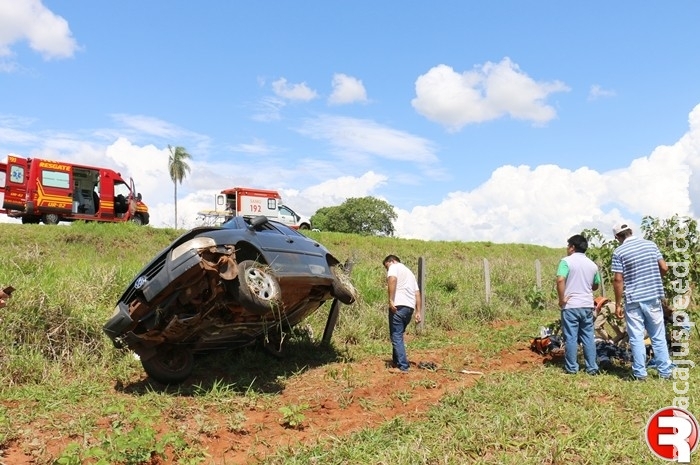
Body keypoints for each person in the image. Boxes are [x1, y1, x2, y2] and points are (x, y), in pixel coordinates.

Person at [611, 222, 672, 381]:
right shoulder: (651, 245)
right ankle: (665, 372)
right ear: (631, 231)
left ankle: (640, 374)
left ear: (617, 237)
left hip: (633, 300)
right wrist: (654, 279)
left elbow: (618, 280)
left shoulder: (619, 251)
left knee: (636, 337)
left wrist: (617, 304)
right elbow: (664, 268)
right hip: (652, 297)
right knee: (658, 335)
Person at [556, 234, 600, 375]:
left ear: (572, 247)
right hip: (587, 305)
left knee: (570, 337)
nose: (567, 248)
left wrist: (562, 299)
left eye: (568, 246)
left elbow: (560, 280)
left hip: (571, 306)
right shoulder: (592, 265)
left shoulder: (565, 262)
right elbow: (595, 285)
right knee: (588, 336)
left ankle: (572, 368)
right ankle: (592, 368)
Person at [383, 255, 422, 373]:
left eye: (386, 266)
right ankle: (396, 361)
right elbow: (417, 293)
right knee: (398, 334)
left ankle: (403, 367)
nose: (387, 269)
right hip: (409, 308)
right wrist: (418, 311)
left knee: (396, 335)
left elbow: (392, 279)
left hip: (398, 306)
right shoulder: (409, 272)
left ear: (392, 261)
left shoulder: (394, 267)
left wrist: (390, 300)